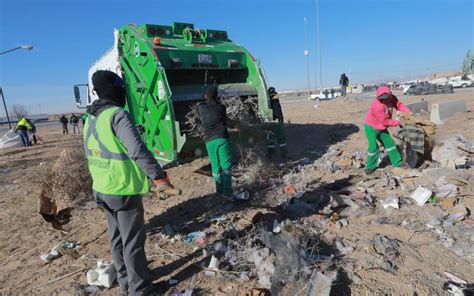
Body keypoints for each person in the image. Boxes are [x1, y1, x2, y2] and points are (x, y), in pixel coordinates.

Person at [84, 70, 174, 295]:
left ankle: (126, 284)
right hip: (122, 190)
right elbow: (137, 150)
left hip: (102, 189)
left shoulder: (91, 117)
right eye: (122, 89)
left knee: (116, 239)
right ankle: (140, 290)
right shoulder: (117, 115)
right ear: (115, 90)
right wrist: (159, 177)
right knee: (133, 242)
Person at [197, 86, 241, 201]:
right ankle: (227, 193)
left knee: (215, 167)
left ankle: (219, 191)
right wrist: (237, 125)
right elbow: (225, 120)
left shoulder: (200, 108)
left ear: (205, 97)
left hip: (209, 141)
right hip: (222, 138)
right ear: (216, 97)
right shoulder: (221, 107)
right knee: (226, 167)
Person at [364, 86, 411, 174]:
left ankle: (397, 163)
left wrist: (408, 113)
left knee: (390, 144)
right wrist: (398, 122)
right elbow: (385, 121)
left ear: (389, 95)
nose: (384, 100)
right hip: (371, 127)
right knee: (373, 147)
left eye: (386, 98)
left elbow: (399, 105)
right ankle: (369, 167)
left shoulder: (391, 98)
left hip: (381, 127)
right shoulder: (377, 106)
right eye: (381, 99)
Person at [267, 87, 288, 159]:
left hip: (274, 122)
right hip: (277, 121)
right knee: (279, 140)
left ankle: (273, 156)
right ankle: (282, 155)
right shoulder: (273, 99)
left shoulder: (270, 100)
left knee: (273, 140)